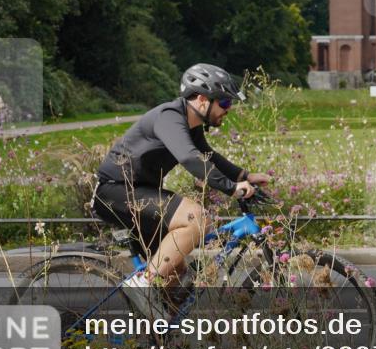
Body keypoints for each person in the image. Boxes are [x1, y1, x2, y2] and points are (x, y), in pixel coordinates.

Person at [91, 63, 271, 293]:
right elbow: (190, 158)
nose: (229, 109)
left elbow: (208, 156)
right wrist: (232, 187)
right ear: (201, 99)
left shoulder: (191, 125)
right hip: (116, 192)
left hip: (141, 194)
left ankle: (156, 326)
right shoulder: (170, 117)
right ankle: (141, 287)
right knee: (196, 218)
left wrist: (245, 175)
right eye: (225, 102)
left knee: (176, 285)